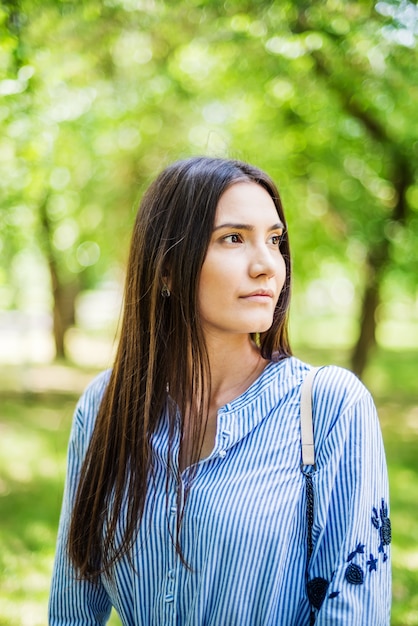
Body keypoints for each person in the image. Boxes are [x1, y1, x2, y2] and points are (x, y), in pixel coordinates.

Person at [49, 156, 391, 625]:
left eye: (275, 240)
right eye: (234, 238)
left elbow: (354, 611)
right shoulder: (106, 405)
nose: (267, 265)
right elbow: (72, 604)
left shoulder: (330, 406)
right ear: (166, 269)